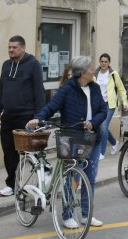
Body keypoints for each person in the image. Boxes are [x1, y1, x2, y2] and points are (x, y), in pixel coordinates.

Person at [27, 55, 107, 227]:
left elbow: (103, 109)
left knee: (90, 178)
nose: (94, 70)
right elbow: (51, 106)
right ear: (83, 72)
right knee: (72, 177)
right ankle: (68, 215)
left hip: (92, 138)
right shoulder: (67, 89)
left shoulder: (95, 88)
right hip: (71, 138)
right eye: (92, 68)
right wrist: (38, 119)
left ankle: (86, 214)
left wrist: (93, 123)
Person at [0, 35, 45, 197]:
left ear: (22, 48)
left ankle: (42, 177)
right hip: (8, 115)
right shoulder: (6, 65)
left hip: (26, 116)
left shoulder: (33, 64)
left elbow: (39, 91)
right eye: (9, 47)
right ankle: (11, 184)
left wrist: (38, 116)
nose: (11, 50)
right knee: (8, 150)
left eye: (14, 47)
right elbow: (1, 88)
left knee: (28, 153)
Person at [94, 53, 127, 160]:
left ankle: (101, 152)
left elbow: (121, 89)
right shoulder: (95, 74)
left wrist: (124, 102)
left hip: (109, 104)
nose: (103, 63)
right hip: (98, 105)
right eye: (102, 61)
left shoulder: (113, 74)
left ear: (109, 63)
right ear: (99, 62)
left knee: (103, 126)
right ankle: (114, 142)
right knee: (101, 127)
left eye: (106, 62)